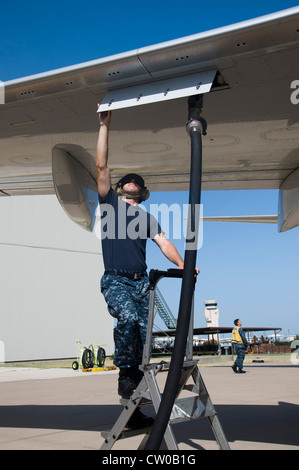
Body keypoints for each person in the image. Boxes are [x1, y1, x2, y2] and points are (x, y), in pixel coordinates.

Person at [96, 109, 189, 426]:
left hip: (141, 284)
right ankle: (125, 376)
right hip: (116, 281)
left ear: (143, 192)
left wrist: (183, 265)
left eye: (138, 181)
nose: (132, 181)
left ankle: (132, 408)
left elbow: (164, 243)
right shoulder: (109, 203)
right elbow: (102, 165)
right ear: (121, 188)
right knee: (130, 319)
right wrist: (105, 126)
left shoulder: (149, 219)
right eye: (127, 180)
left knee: (141, 337)